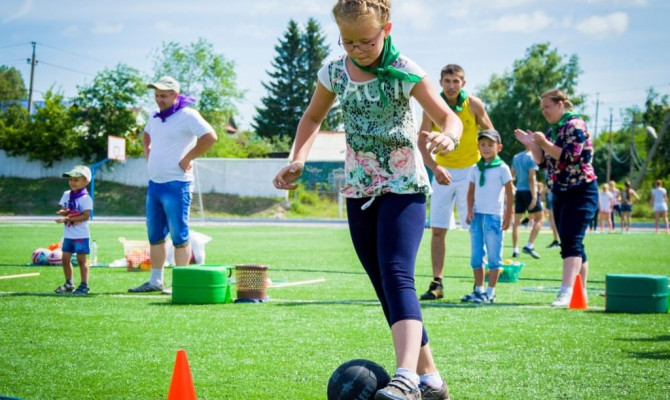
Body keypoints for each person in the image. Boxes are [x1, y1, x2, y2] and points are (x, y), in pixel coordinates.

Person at [273, 1, 462, 398]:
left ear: (387, 29)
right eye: (347, 41)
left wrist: (450, 136)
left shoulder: (406, 70)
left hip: (403, 185)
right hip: (359, 189)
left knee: (397, 275)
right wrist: (298, 160)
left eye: (366, 40)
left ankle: (406, 379)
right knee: (384, 286)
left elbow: (450, 116)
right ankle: (432, 380)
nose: (357, 48)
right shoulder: (334, 72)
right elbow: (311, 118)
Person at [129, 76, 217, 293]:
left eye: (164, 95)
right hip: (155, 184)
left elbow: (210, 137)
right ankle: (155, 281)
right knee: (155, 235)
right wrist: (148, 154)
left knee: (179, 235)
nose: (159, 99)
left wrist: (188, 158)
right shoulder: (155, 116)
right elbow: (147, 135)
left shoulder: (187, 115)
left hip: (178, 184)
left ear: (175, 95)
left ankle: (180, 282)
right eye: (157, 95)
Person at [514, 89, 598, 308]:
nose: (544, 112)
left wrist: (543, 144)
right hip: (561, 191)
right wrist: (532, 145)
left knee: (571, 241)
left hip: (581, 190)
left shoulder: (574, 125)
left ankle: (566, 292)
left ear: (561, 104)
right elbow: (544, 163)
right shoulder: (554, 130)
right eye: (542, 108)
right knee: (572, 242)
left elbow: (571, 156)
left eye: (547, 107)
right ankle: (581, 292)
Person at [417, 64, 494, 301]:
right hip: (443, 173)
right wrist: (435, 167)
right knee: (438, 229)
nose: (451, 86)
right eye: (447, 81)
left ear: (463, 83)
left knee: (475, 228)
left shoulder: (474, 104)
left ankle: (479, 286)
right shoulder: (432, 107)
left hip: (471, 171)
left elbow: (491, 134)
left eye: (456, 81)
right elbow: (420, 143)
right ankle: (437, 284)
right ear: (440, 83)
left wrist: (488, 168)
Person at [460, 129, 513, 304]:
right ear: (478, 147)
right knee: (476, 255)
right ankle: (479, 290)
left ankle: (490, 292)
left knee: (494, 256)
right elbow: (470, 192)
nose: (486, 148)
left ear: (499, 147)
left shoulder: (502, 168)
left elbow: (509, 192)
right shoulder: (475, 168)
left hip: (494, 217)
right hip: (477, 216)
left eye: (490, 145)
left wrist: (508, 214)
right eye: (482, 145)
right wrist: (469, 210)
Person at [55, 165, 94, 296]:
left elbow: (86, 216)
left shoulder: (85, 198)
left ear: (86, 181)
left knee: (81, 260)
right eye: (70, 179)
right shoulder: (67, 194)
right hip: (68, 234)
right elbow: (67, 210)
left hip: (81, 235)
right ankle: (69, 283)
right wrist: (63, 212)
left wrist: (67, 219)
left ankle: (84, 285)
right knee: (65, 258)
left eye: (76, 180)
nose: (72, 182)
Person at [510, 145, 543, 258]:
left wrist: (513, 188)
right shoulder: (532, 157)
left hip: (519, 191)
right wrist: (534, 197)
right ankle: (529, 245)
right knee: (540, 219)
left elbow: (512, 176)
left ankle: (515, 250)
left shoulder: (516, 157)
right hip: (529, 191)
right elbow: (531, 178)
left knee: (516, 223)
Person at [540, 182, 560, 248]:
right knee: (554, 219)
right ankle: (557, 240)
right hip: (554, 194)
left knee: (553, 220)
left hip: (553, 193)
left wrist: (542, 192)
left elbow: (551, 183)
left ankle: (556, 240)